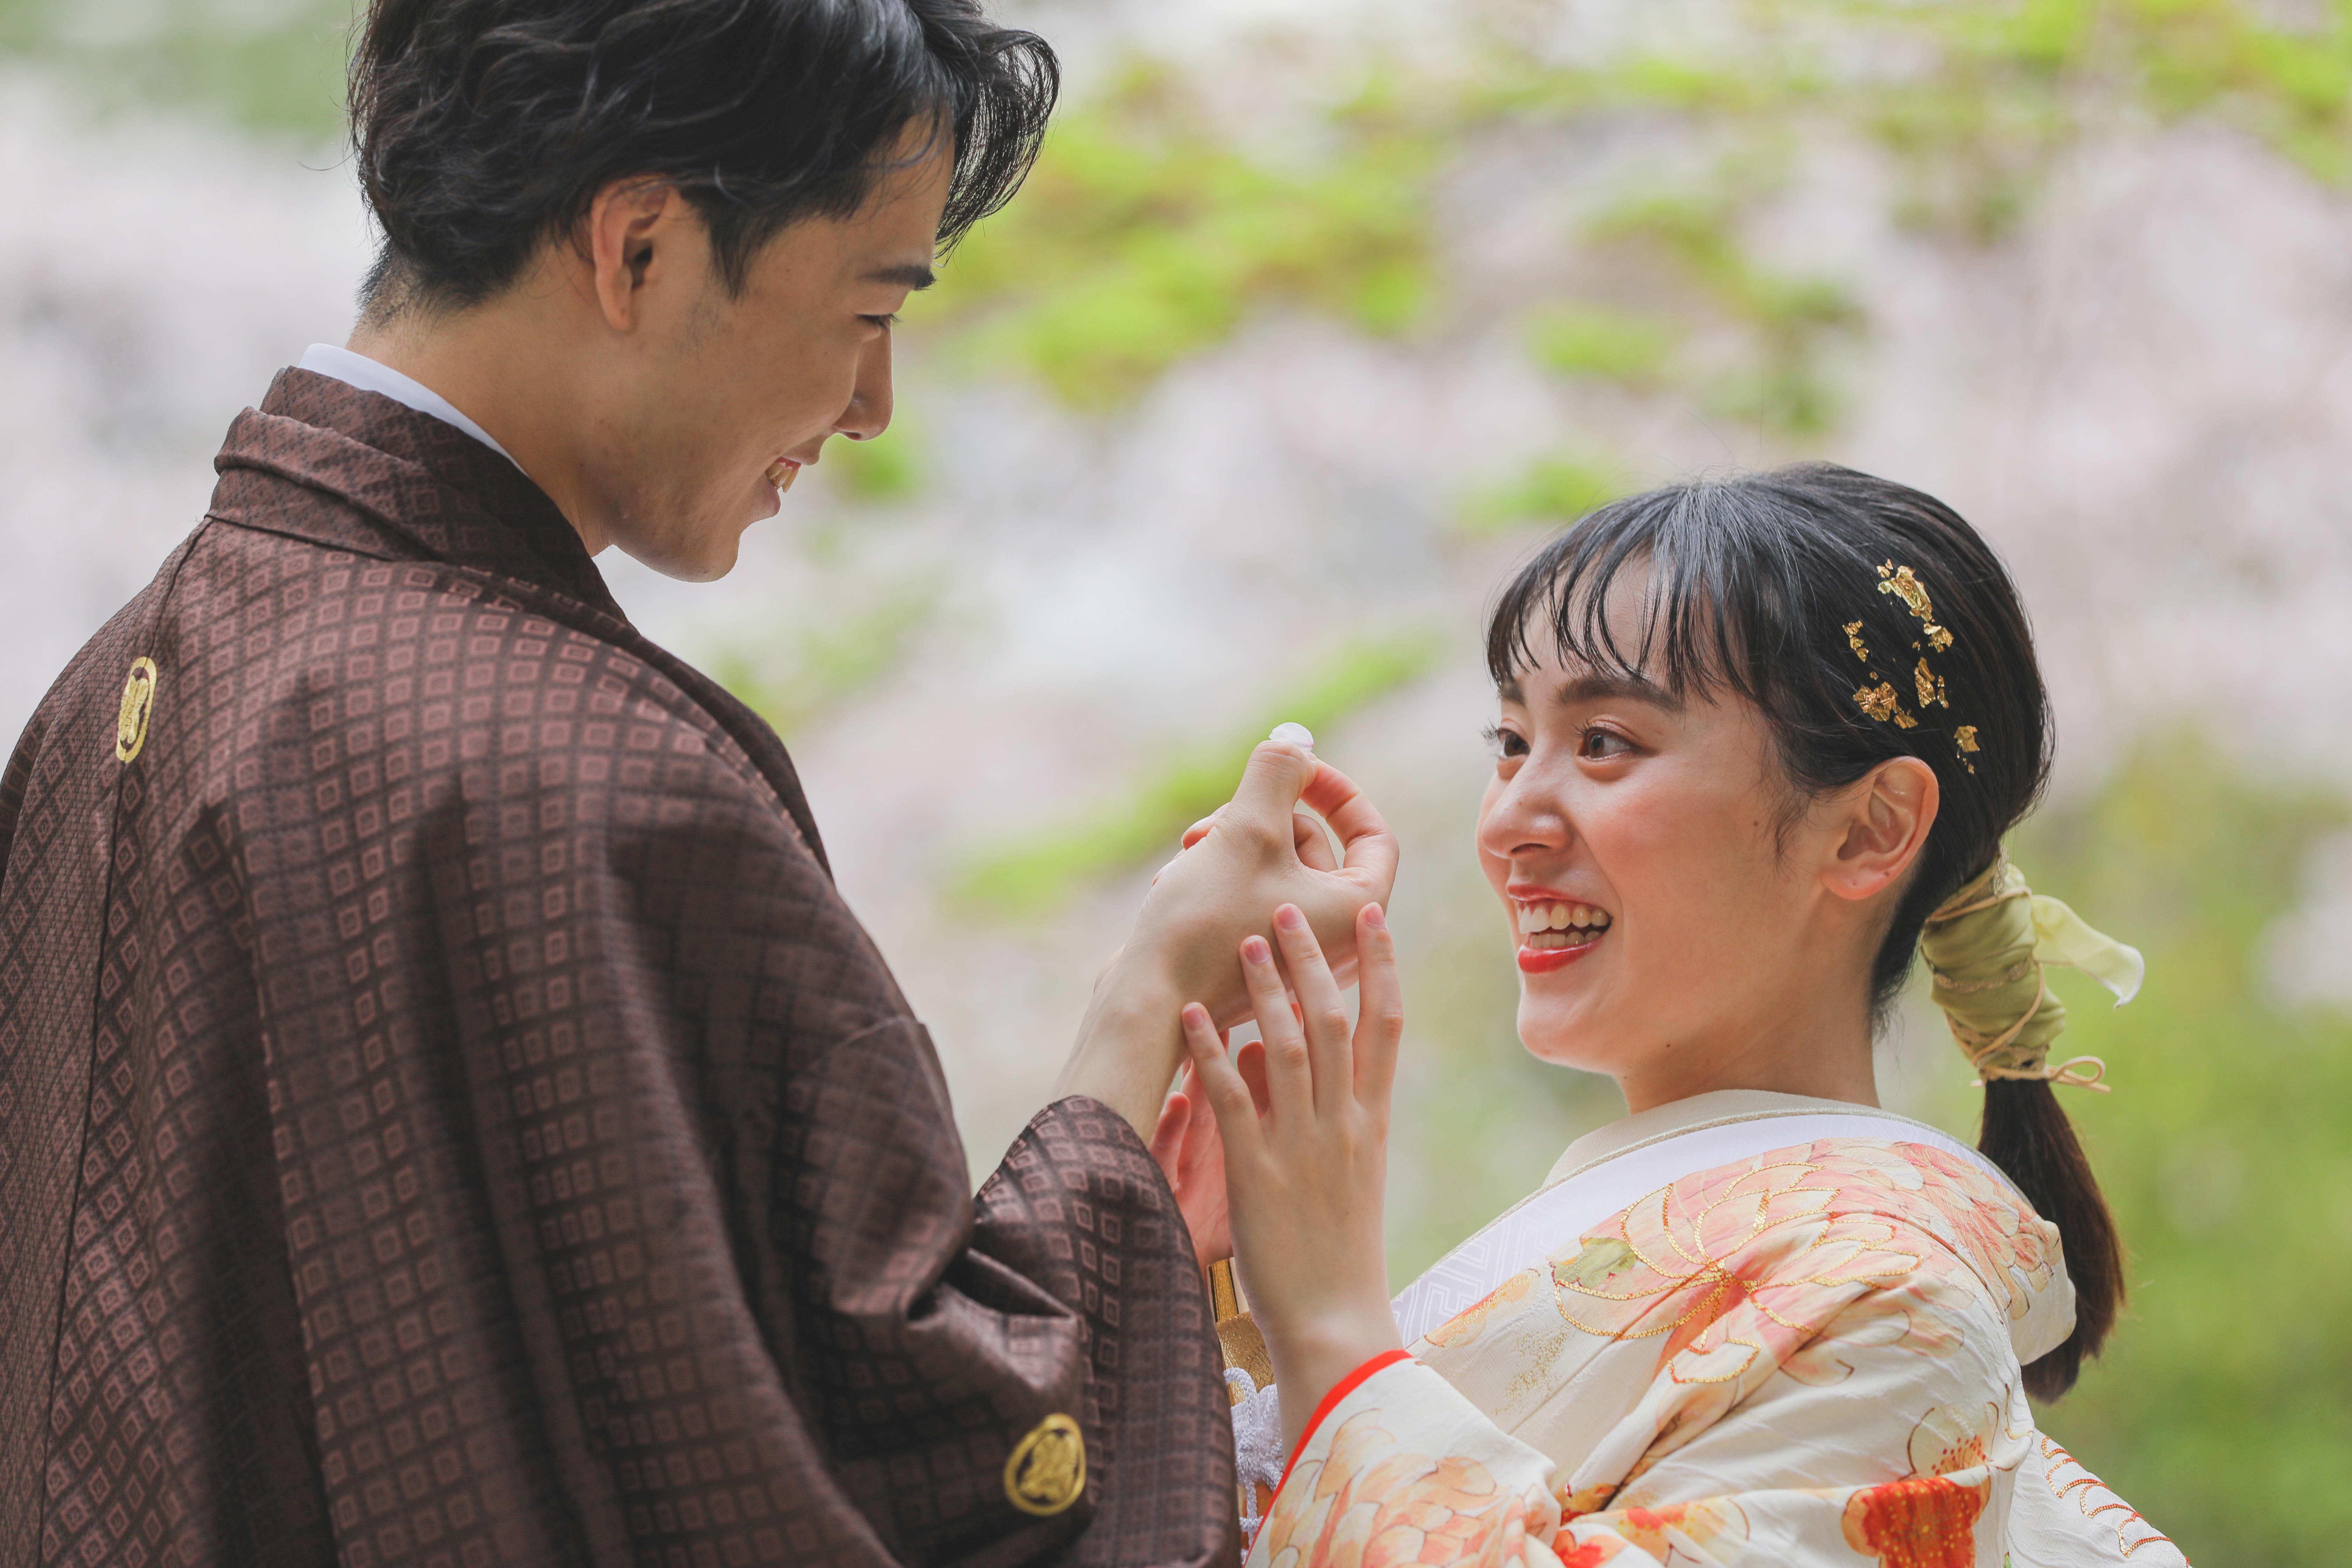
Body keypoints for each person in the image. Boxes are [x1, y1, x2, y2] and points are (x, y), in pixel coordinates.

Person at [0, 2, 1399, 1564]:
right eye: (869, 309)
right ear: (641, 249)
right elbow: (925, 1462)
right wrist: (1148, 1012)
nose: (873, 405)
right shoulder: (600, 785)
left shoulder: (115, 690)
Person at [1161, 466, 2188, 1566]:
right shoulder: (1729, 1244)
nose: (1507, 822)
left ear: (1869, 829)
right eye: (1511, 743)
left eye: (1605, 742)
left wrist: (1330, 1322)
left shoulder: (1894, 1306)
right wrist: (1208, 1287)